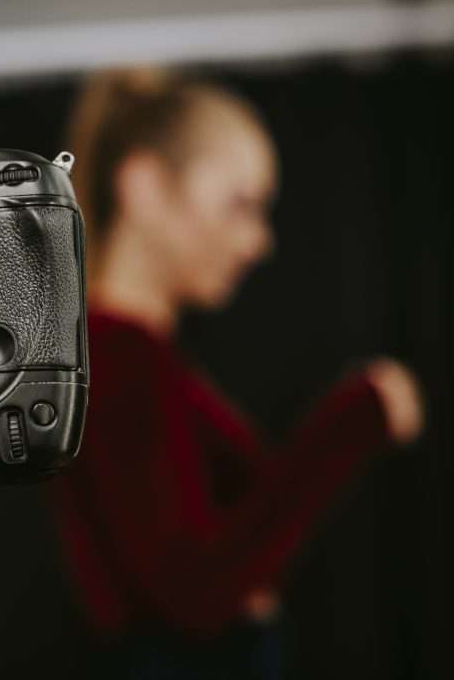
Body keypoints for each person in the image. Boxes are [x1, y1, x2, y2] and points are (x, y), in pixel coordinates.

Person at [56, 70, 423, 679]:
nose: (258, 242)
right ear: (145, 188)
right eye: (240, 205)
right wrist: (359, 415)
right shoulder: (117, 361)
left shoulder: (139, 357)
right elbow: (195, 592)